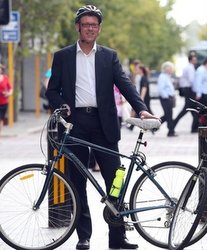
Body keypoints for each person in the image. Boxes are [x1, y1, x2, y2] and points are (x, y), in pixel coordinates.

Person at [45, 5, 158, 250]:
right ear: (78, 27)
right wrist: (62, 105)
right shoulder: (63, 56)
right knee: (77, 182)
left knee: (114, 180)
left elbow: (125, 84)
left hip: (104, 124)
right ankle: (83, 237)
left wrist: (141, 108)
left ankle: (118, 238)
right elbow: (51, 90)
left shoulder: (109, 56)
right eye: (85, 24)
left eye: (93, 25)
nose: (89, 29)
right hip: (75, 124)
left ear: (99, 29)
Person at [173, 53, 198, 132]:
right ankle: (172, 124)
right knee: (187, 108)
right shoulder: (190, 68)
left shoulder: (187, 67)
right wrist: (196, 90)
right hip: (189, 89)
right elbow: (192, 80)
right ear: (192, 60)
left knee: (194, 110)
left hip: (186, 89)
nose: (196, 61)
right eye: (195, 59)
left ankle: (194, 127)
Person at [157, 61, 177, 137]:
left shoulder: (168, 77)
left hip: (169, 98)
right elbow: (161, 89)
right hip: (165, 98)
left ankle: (155, 126)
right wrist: (166, 97)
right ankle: (171, 131)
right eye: (169, 68)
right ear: (165, 69)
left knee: (168, 115)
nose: (171, 69)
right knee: (168, 115)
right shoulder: (162, 76)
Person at [0, 64, 12, 139]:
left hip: (3, 102)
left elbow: (10, 89)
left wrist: (8, 93)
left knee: (1, 119)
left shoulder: (5, 78)